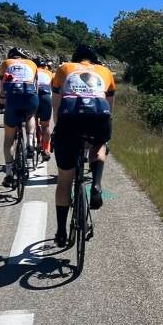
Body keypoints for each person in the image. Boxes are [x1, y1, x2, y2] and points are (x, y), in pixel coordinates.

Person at [51, 44, 115, 247]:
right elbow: (109, 106)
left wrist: (58, 129)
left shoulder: (64, 68)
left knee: (64, 180)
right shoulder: (105, 71)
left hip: (69, 119)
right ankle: (96, 184)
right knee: (99, 145)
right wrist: (104, 131)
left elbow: (56, 104)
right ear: (93, 60)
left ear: (76, 59)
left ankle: (61, 232)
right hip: (99, 117)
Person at [0, 47, 39, 187]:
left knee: (8, 140)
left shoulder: (6, 63)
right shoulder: (32, 64)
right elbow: (36, 85)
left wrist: (1, 102)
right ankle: (30, 143)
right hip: (30, 96)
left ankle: (9, 174)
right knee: (30, 115)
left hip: (13, 99)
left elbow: (2, 86)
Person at [35, 57, 54, 162]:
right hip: (46, 98)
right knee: (45, 126)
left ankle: (38, 143)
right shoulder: (49, 73)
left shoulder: (32, 71)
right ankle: (46, 149)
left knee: (32, 121)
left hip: (33, 96)